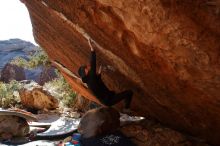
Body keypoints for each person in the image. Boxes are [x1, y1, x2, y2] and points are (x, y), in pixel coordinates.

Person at [78, 39, 133, 111]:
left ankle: (126, 108)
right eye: (86, 67)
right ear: (85, 71)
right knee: (129, 92)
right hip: (109, 100)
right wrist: (92, 48)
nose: (88, 66)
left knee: (126, 94)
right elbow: (93, 62)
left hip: (108, 98)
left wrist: (100, 72)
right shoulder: (91, 77)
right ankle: (126, 109)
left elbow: (98, 82)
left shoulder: (89, 81)